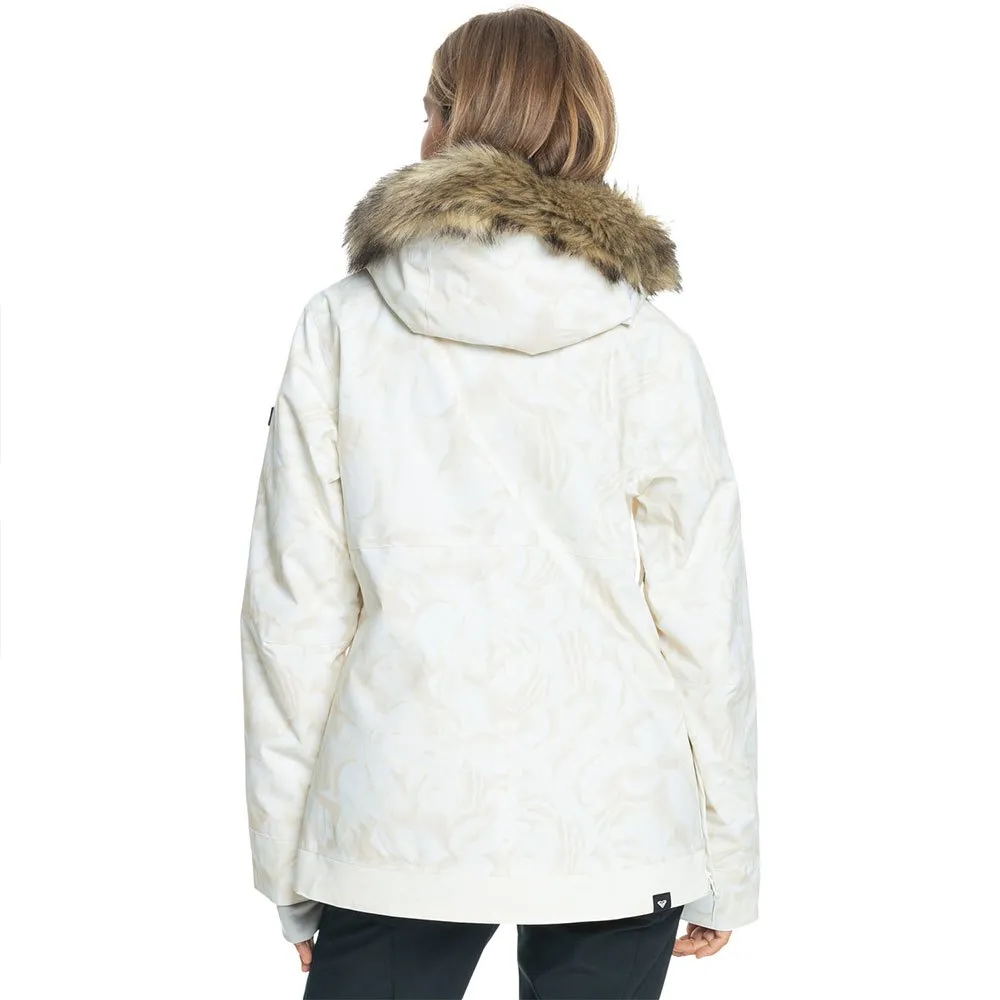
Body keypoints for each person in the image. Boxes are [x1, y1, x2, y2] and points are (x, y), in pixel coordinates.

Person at [239, 7, 760, 998]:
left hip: (397, 813)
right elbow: (705, 627)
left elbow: (293, 615)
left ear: (449, 123)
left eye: (427, 109)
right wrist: (727, 863)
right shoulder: (649, 348)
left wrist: (290, 871)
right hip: (617, 814)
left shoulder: (342, 327)